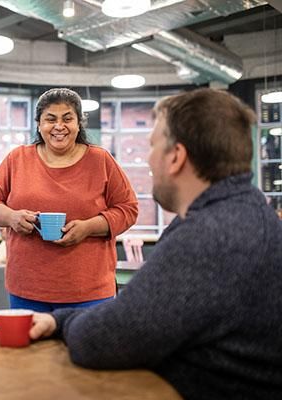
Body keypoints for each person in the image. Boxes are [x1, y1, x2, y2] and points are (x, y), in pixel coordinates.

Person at [29, 88, 282, 399]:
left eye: (152, 146)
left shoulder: (208, 237)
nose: (148, 160)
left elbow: (102, 343)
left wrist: (59, 322)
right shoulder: (250, 211)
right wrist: (61, 319)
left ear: (176, 157)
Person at [0, 88, 138, 311]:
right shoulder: (18, 159)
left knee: (85, 347)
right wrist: (11, 217)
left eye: (67, 118)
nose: (59, 126)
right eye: (50, 119)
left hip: (89, 289)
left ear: (79, 123)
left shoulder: (100, 160)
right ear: (39, 124)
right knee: (32, 347)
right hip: (27, 287)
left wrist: (89, 227)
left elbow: (128, 209)